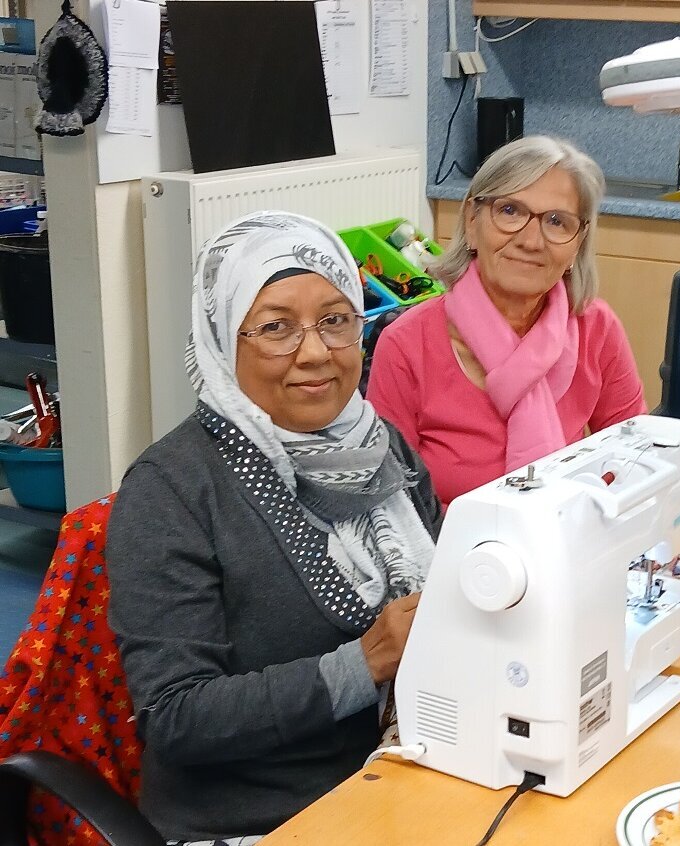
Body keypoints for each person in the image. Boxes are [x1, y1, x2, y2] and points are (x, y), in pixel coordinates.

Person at [106, 212, 441, 843]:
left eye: (336, 320)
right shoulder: (172, 490)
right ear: (222, 341)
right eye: (276, 328)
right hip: (263, 818)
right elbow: (175, 714)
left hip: (404, 775)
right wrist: (366, 662)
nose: (314, 352)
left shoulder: (381, 447)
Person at [366, 135, 646, 507]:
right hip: (448, 552)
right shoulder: (405, 344)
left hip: (573, 540)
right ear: (471, 220)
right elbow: (391, 504)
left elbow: (637, 456)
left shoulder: (597, 328)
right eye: (510, 211)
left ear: (578, 242)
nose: (531, 241)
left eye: (557, 221)